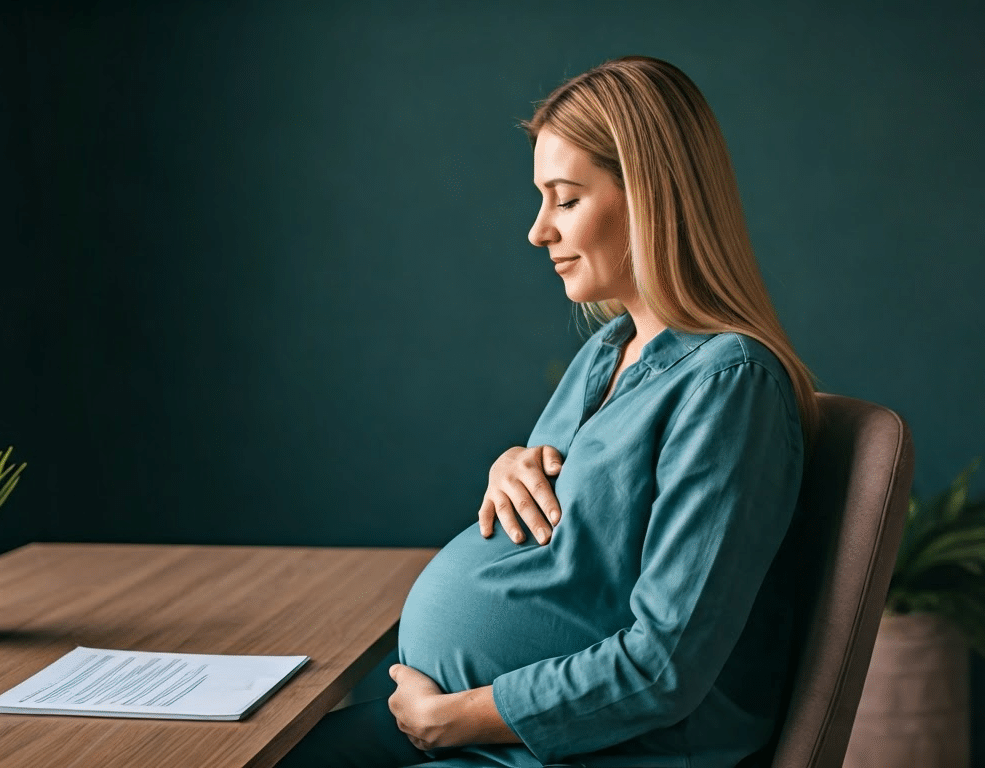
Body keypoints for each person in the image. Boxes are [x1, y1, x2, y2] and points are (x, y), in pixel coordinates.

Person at [283, 55, 818, 768]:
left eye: (565, 199)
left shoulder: (731, 383)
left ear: (651, 197)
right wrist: (513, 468)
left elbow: (662, 667)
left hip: (571, 751)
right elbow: (572, 548)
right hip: (458, 728)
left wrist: (458, 718)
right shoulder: (608, 350)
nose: (538, 231)